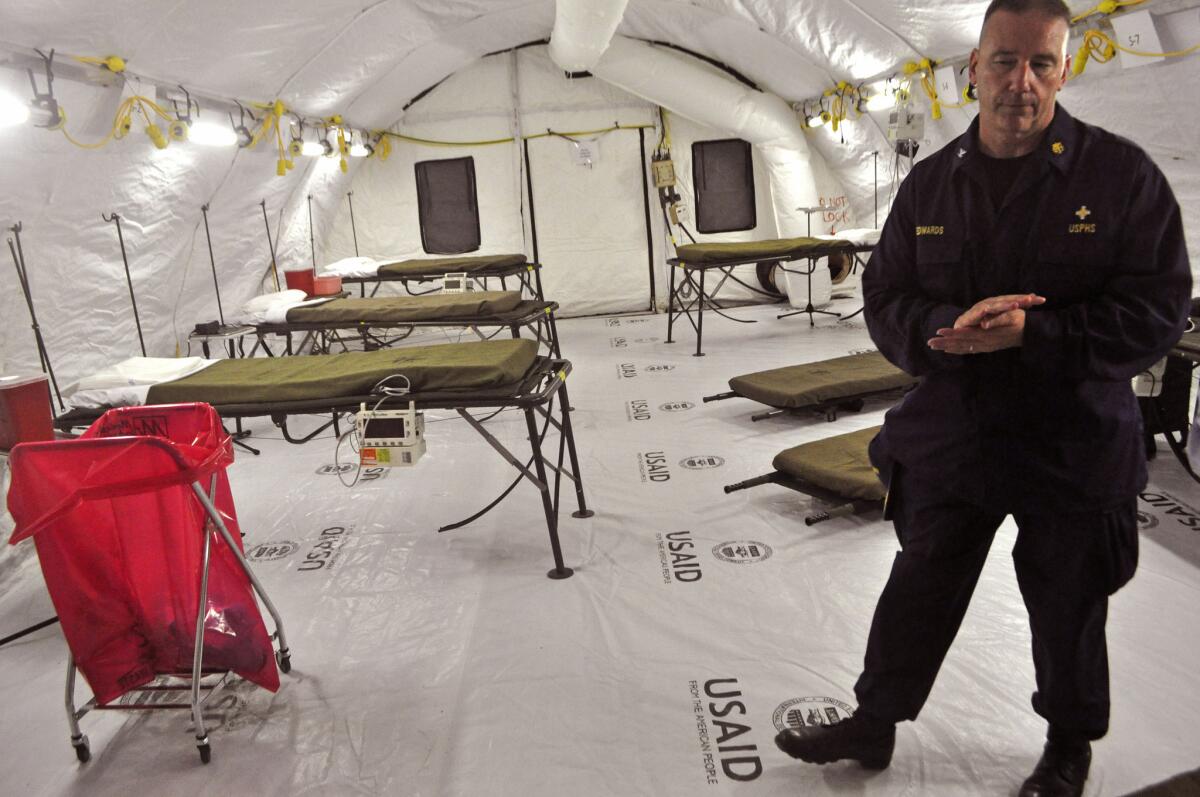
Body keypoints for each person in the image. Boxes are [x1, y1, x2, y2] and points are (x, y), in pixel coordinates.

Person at [774, 1, 1193, 795]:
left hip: (1071, 442)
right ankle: (874, 722)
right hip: (956, 435)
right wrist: (940, 327)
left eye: (1041, 63)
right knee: (919, 583)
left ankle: (1068, 747)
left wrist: (1036, 337)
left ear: (1064, 71)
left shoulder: (1120, 178)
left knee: (1069, 604)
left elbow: (1158, 310)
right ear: (973, 68)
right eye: (1004, 61)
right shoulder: (932, 187)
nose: (1021, 83)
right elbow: (885, 294)